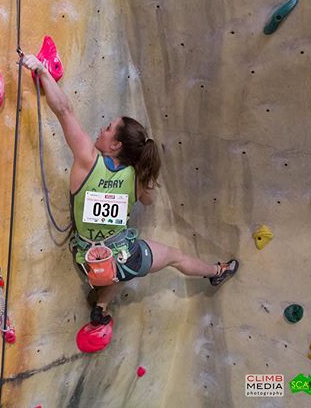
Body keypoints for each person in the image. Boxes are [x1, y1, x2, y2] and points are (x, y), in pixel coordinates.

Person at [21, 53, 239, 327]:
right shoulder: (136, 177)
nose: (103, 128)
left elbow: (64, 110)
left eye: (109, 128)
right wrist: (144, 182)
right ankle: (217, 271)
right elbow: (148, 201)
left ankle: (102, 304)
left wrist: (42, 70)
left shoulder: (87, 160)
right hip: (125, 260)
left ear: (116, 146)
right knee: (173, 256)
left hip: (86, 263)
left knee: (119, 260)